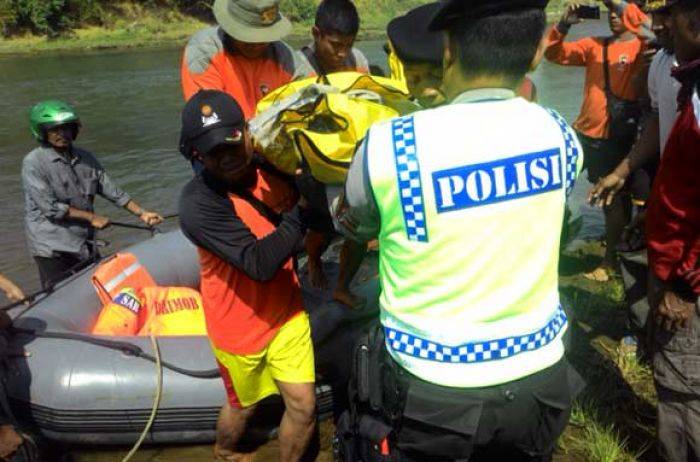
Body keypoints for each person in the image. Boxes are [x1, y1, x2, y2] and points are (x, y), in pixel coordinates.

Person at [334, 0, 584, 459]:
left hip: (434, 392)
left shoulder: (391, 145)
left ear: (447, 51)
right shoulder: (560, 134)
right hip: (540, 382)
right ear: (536, 54)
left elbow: (354, 221)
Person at [178, 90, 316, 462]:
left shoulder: (272, 165)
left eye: (232, 142)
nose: (227, 156)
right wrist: (302, 211)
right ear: (197, 155)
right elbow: (258, 263)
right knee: (242, 406)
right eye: (213, 151)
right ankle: (224, 450)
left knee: (303, 406)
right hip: (238, 326)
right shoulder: (197, 204)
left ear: (247, 133)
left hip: (287, 312)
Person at [545, 1, 647, 282]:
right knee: (555, 186)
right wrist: (564, 24)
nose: (614, 17)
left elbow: (648, 29)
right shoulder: (594, 45)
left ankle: (610, 261)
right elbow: (553, 53)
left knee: (612, 201)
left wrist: (620, 5)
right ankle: (549, 247)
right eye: (610, 12)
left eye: (619, 11)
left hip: (615, 138)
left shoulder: (643, 47)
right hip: (583, 134)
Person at [22, 100, 162, 290]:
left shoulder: (85, 158)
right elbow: (51, 208)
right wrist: (92, 217)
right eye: (55, 130)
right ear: (42, 132)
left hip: (83, 241)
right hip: (52, 246)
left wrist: (142, 213)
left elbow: (112, 190)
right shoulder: (33, 163)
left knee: (97, 289)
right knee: (62, 295)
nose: (62, 134)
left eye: (67, 129)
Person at [644, 1, 700, 459]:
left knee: (683, 395)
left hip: (687, 277)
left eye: (672, 14)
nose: (662, 25)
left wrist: (684, 283)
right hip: (680, 262)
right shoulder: (688, 81)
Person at [181, 0, 314, 120]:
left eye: (264, 38)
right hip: (225, 140)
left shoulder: (285, 58)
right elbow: (210, 118)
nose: (256, 44)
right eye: (249, 38)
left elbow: (313, 96)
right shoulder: (205, 50)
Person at [300, 0, 369, 75]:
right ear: (316, 34)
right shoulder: (298, 68)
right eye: (336, 45)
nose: (342, 54)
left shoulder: (357, 61)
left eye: (349, 45)